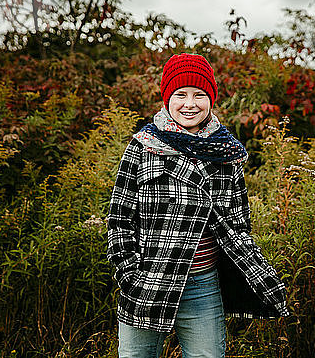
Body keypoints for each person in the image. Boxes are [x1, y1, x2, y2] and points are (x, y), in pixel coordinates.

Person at [107, 53, 289, 358]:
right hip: (148, 280)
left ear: (211, 99)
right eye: (180, 94)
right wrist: (129, 274)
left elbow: (240, 224)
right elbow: (120, 218)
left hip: (202, 284)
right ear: (167, 97)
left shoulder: (226, 153)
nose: (189, 104)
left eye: (199, 95)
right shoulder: (142, 147)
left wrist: (254, 269)